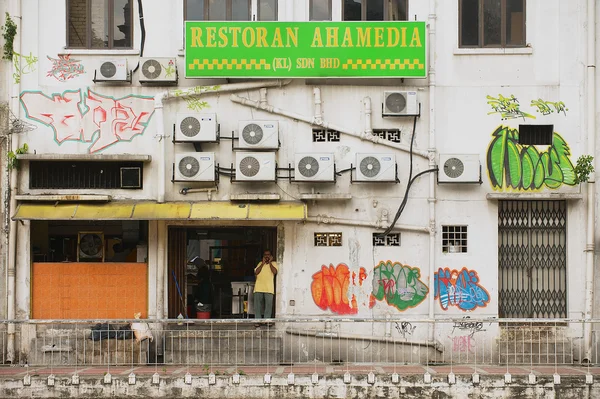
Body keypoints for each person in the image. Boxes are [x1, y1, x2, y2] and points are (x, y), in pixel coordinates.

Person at [254, 250, 277, 322]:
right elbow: (256, 272)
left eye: (268, 255)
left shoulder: (274, 263)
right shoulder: (260, 263)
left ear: (271, 256)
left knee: (268, 306)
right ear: (263, 256)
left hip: (269, 288)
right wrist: (262, 264)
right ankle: (258, 321)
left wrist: (270, 263)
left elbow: (275, 272)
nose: (267, 256)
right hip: (258, 288)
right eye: (265, 255)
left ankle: (266, 321)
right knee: (257, 307)